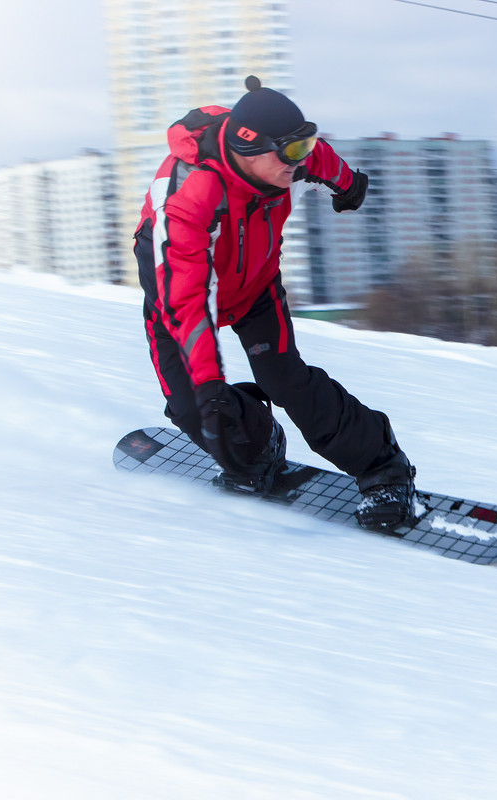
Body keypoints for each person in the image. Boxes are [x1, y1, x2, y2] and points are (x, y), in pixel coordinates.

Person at [133, 75, 416, 530]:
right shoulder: (188, 199)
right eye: (291, 152)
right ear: (250, 150)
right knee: (194, 407)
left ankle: (384, 469)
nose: (300, 160)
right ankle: (256, 449)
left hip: (255, 287)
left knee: (287, 382)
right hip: (176, 295)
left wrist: (348, 185)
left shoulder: (288, 160)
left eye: (304, 146)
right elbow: (187, 301)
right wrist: (209, 389)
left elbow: (319, 157)